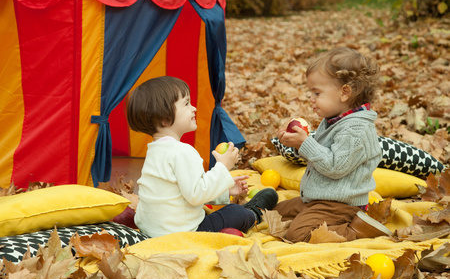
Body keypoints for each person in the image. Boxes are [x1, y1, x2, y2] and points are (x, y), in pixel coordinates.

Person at [126, 76, 278, 238]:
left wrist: (225, 191)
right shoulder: (182, 151)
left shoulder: (154, 151)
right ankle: (253, 213)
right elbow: (197, 194)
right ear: (164, 119)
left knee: (213, 211)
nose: (194, 108)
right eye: (186, 104)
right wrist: (222, 167)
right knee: (235, 213)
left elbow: (181, 193)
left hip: (153, 232)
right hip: (184, 233)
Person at [275, 47, 392, 243]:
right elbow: (322, 155)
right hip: (319, 199)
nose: (311, 99)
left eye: (317, 93)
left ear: (344, 92)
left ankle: (357, 230)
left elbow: (335, 166)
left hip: (340, 205)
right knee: (278, 212)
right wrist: (298, 144)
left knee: (298, 234)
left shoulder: (356, 129)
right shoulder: (334, 119)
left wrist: (307, 143)